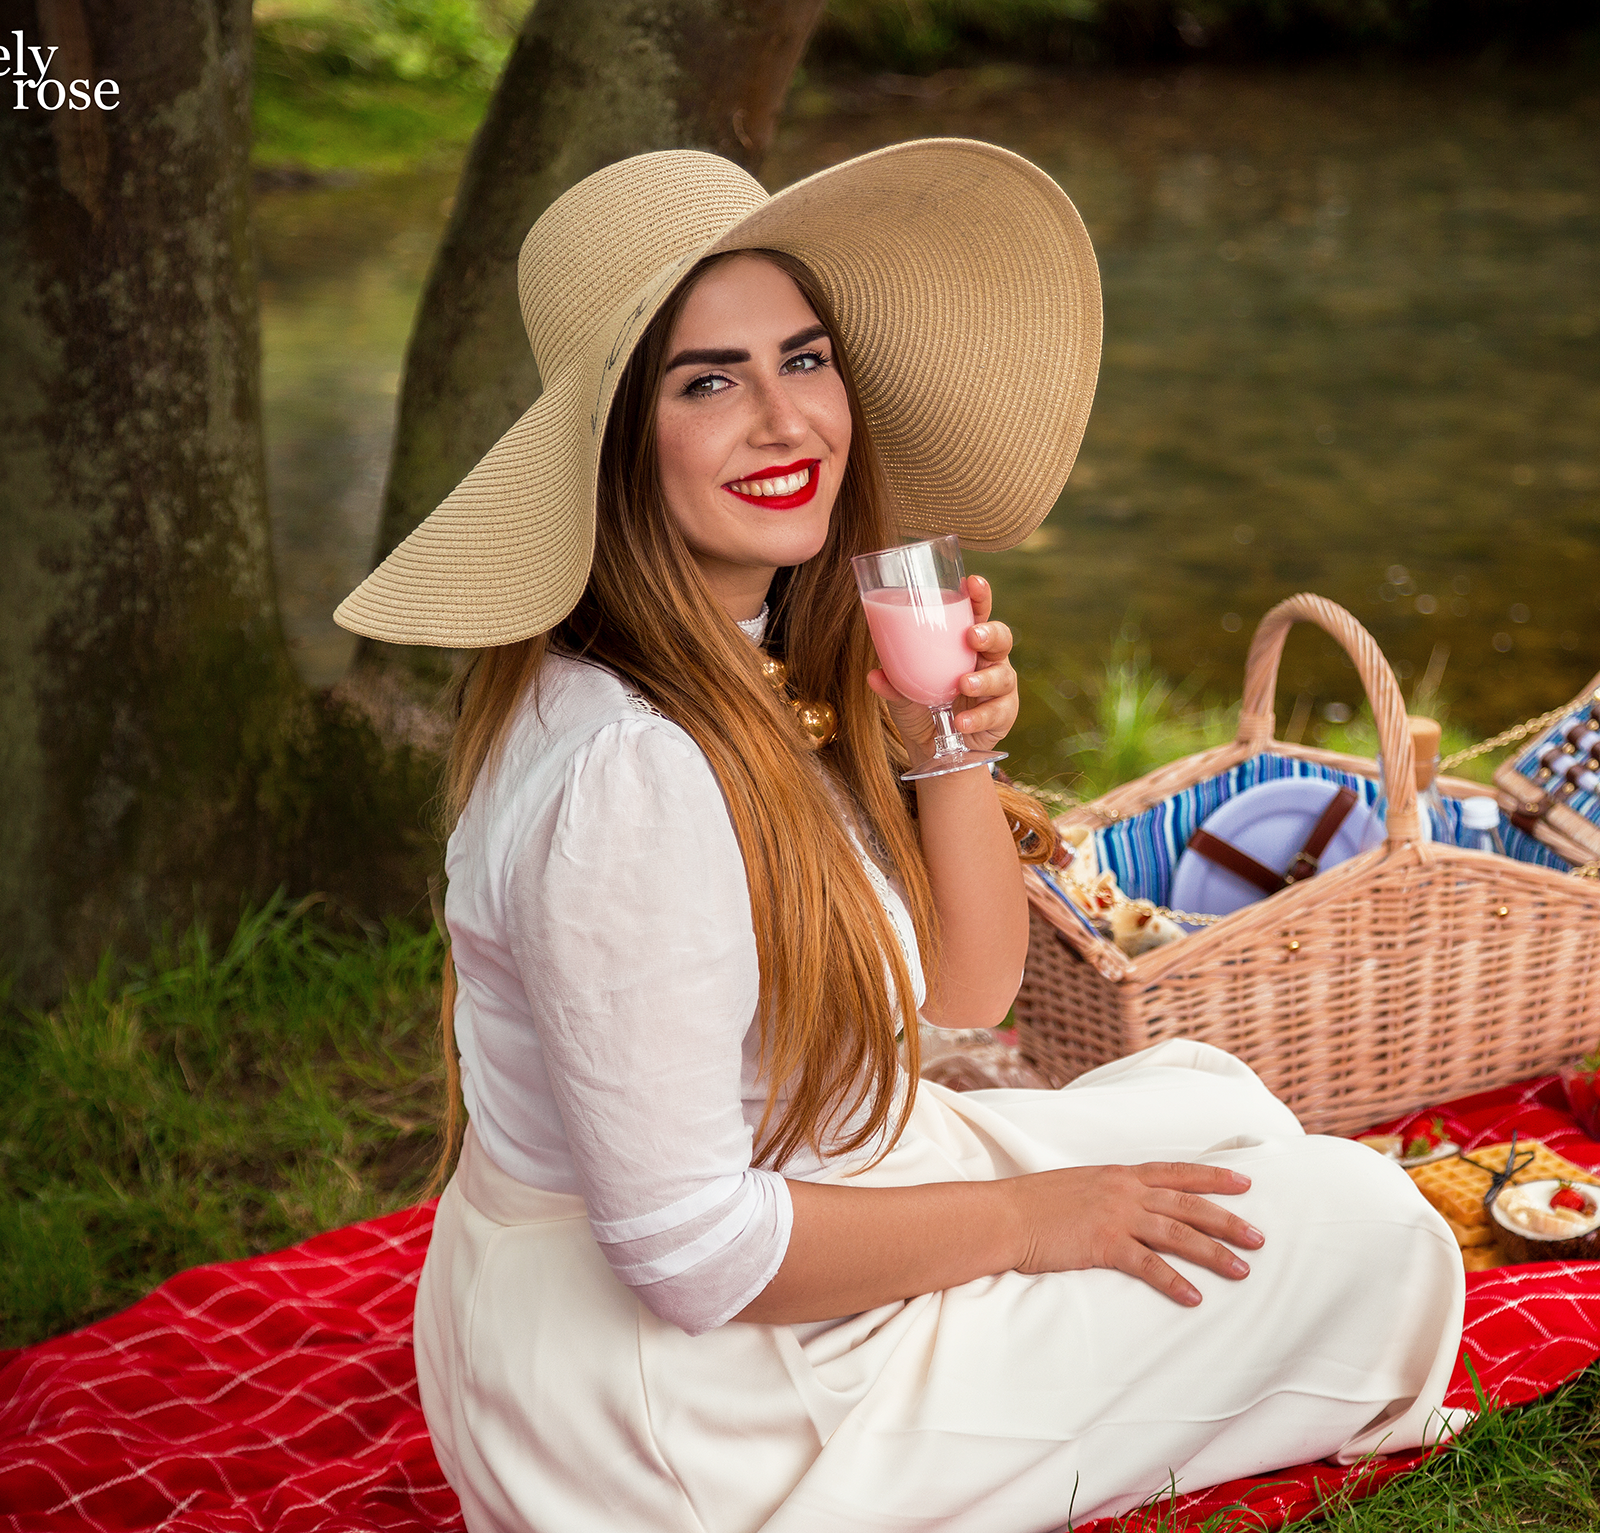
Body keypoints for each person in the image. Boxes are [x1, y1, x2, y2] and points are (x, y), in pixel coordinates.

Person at [336, 139, 1466, 1533]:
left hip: (798, 1209)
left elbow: (963, 993)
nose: (785, 420)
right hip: (686, 1410)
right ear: (619, 445)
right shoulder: (631, 772)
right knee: (1366, 1231)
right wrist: (1042, 1223)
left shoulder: (735, 663)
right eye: (708, 382)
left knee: (1217, 1107)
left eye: (804, 361)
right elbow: (690, 1255)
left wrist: (954, 752)